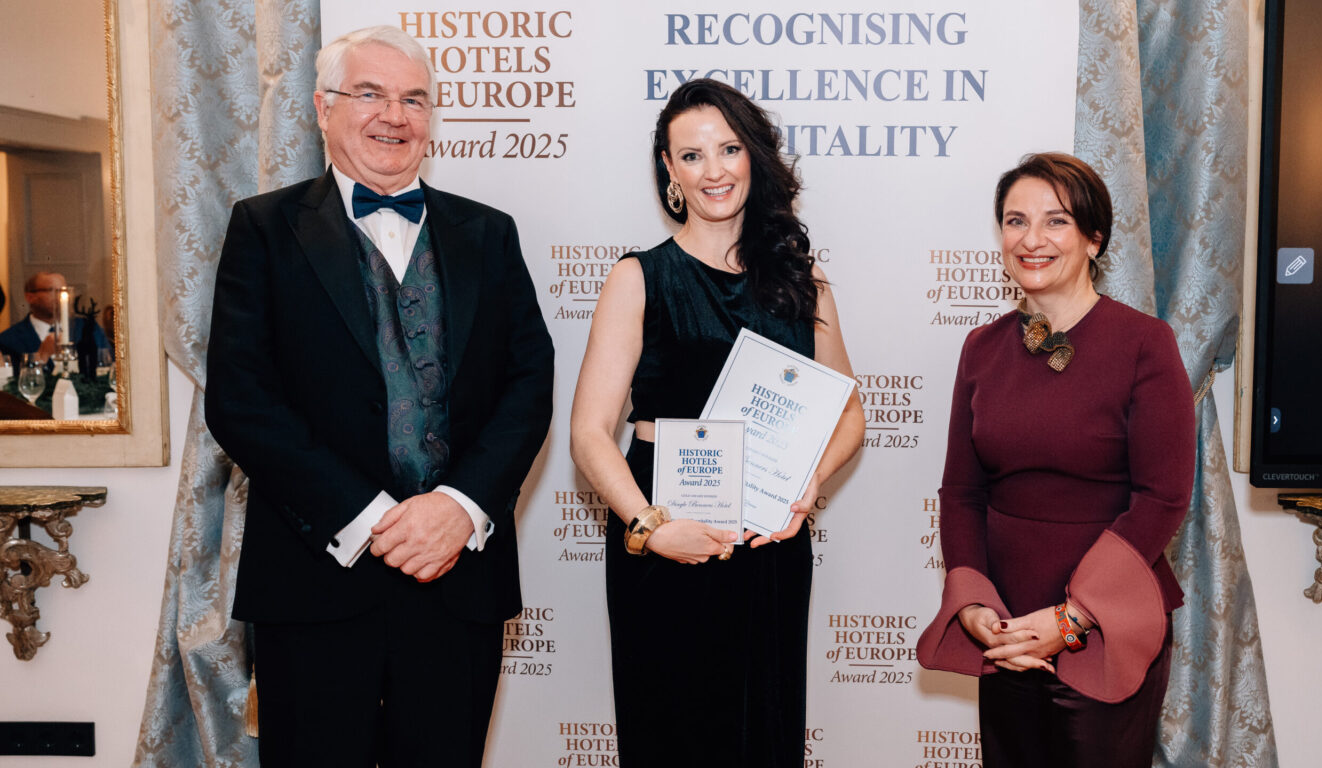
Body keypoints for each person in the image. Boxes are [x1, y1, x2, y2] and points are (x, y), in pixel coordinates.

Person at [203, 25, 553, 768]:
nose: (394, 115)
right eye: (370, 94)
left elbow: (529, 383)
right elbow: (241, 399)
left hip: (458, 579)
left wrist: (458, 508)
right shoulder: (262, 229)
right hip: (314, 578)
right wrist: (372, 519)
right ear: (323, 109)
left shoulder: (490, 234)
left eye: (414, 99)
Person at [569, 78, 865, 767]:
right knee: (672, 732)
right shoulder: (639, 277)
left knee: (763, 733)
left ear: (753, 156)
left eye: (729, 148)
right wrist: (648, 526)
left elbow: (849, 412)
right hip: (662, 532)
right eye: (692, 155)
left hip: (771, 541)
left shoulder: (802, 280)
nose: (715, 170)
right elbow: (589, 431)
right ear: (668, 170)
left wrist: (807, 487)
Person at [915, 153, 1196, 767]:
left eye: (1056, 222)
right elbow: (961, 491)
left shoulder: (1145, 343)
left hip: (1106, 623)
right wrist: (973, 603)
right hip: (1007, 625)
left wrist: (1073, 619)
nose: (1032, 240)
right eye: (1016, 221)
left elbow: (1164, 498)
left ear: (1095, 239)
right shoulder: (982, 347)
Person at [0, 271, 110, 361]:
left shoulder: (88, 328)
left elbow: (108, 363)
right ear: (30, 297)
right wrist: (42, 356)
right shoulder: (8, 339)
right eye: (52, 290)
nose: (60, 297)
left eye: (64, 290)